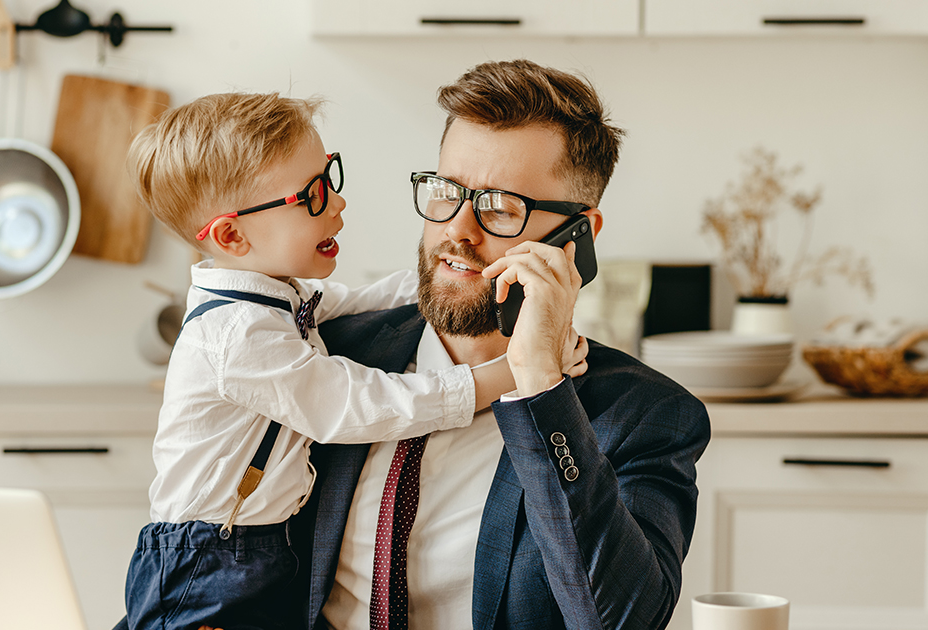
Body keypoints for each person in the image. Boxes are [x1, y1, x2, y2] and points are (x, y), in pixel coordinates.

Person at [121, 92, 588, 630]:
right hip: (207, 564)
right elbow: (353, 406)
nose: (338, 204)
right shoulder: (237, 336)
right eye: (313, 195)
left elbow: (364, 297)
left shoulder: (275, 297)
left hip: (250, 550)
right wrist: (516, 373)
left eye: (330, 177)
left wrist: (459, 270)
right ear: (231, 235)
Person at [292, 60, 712, 630]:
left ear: (577, 235)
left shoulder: (644, 416)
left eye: (500, 207)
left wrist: (542, 385)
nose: (457, 231)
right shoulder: (326, 353)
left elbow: (619, 622)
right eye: (446, 193)